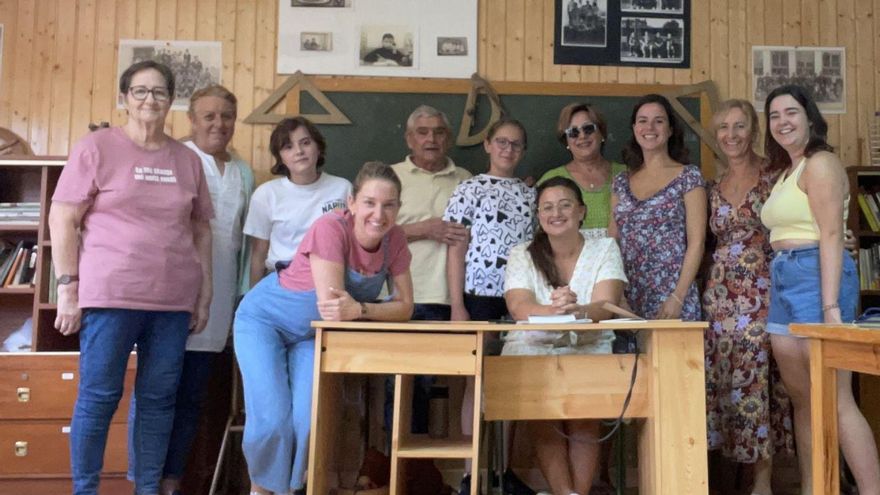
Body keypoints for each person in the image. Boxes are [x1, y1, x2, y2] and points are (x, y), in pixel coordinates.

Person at [49, 60, 214, 495]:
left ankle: (146, 489)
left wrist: (205, 293)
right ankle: (85, 489)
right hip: (111, 296)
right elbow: (63, 218)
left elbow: (201, 229)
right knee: (99, 398)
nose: (150, 100)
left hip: (172, 302)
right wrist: (68, 289)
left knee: (159, 403)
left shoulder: (187, 159)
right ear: (124, 98)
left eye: (159, 92)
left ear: (171, 101)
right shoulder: (96, 147)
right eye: (140, 91)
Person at [233, 162, 414, 495]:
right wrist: (373, 310)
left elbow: (405, 307)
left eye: (389, 205)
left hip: (312, 336)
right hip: (263, 323)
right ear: (352, 203)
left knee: (309, 422)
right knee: (272, 421)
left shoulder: (396, 240)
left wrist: (360, 308)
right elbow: (332, 309)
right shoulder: (330, 228)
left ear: (398, 208)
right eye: (370, 203)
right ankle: (260, 491)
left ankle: (289, 490)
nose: (379, 214)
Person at [124, 84, 254, 495]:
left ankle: (171, 483)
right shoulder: (176, 159)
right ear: (192, 120)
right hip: (170, 295)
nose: (219, 124)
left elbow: (244, 242)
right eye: (209, 116)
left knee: (192, 399)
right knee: (156, 395)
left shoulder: (244, 172)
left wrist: (239, 299)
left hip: (216, 304)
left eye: (226, 116)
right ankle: (143, 483)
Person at [760, 85, 880, 494]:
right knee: (804, 401)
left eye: (790, 112)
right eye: (774, 115)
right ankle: (817, 488)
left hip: (817, 278)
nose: (782, 122)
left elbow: (831, 234)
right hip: (784, 280)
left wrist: (830, 308)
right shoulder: (786, 172)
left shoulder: (822, 163)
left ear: (810, 117)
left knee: (835, 398)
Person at [503, 177, 626, 495]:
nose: (556, 213)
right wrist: (560, 311)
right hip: (533, 348)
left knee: (586, 418)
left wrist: (577, 310)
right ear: (539, 216)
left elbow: (606, 304)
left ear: (582, 211)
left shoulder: (604, 247)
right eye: (547, 207)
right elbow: (519, 307)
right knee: (543, 416)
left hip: (589, 345)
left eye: (565, 204)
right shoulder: (521, 253)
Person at [701, 99, 794, 495]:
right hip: (719, 297)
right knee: (723, 384)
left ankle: (761, 482)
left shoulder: (776, 176)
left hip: (762, 288)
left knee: (756, 384)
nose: (731, 135)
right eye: (724, 127)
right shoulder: (713, 186)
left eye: (740, 126)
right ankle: (725, 478)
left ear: (754, 130)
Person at [443, 118, 535, 495]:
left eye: (515, 144)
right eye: (501, 142)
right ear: (487, 144)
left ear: (523, 150)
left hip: (519, 297)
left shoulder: (532, 194)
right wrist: (456, 306)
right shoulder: (468, 189)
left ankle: (503, 470)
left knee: (510, 383)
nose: (508, 150)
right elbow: (456, 248)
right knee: (474, 385)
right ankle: (470, 472)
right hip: (476, 296)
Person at [390, 105, 471, 433]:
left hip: (447, 300)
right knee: (396, 386)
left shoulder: (466, 180)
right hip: (398, 297)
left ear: (448, 138)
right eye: (422, 132)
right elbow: (368, 232)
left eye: (438, 132)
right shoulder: (389, 177)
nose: (431, 139)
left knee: (426, 383)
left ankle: (422, 472)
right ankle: (395, 470)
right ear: (409, 139)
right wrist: (423, 229)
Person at [610, 93, 706, 320]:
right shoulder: (621, 182)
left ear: (671, 129)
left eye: (659, 120)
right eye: (642, 120)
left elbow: (697, 242)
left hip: (672, 298)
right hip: (628, 299)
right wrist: (617, 294)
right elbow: (612, 241)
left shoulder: (688, 176)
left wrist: (678, 297)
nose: (649, 127)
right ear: (634, 128)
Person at [243, 117, 351, 287]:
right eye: (288, 147)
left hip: (332, 279)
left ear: (319, 147)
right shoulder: (266, 194)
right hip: (281, 281)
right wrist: (253, 296)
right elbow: (258, 254)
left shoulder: (343, 188)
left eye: (306, 143)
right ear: (280, 157)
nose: (299, 151)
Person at [539, 102, 627, 230]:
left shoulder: (626, 174)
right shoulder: (551, 179)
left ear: (601, 133)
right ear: (566, 141)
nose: (582, 136)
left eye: (588, 129)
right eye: (573, 132)